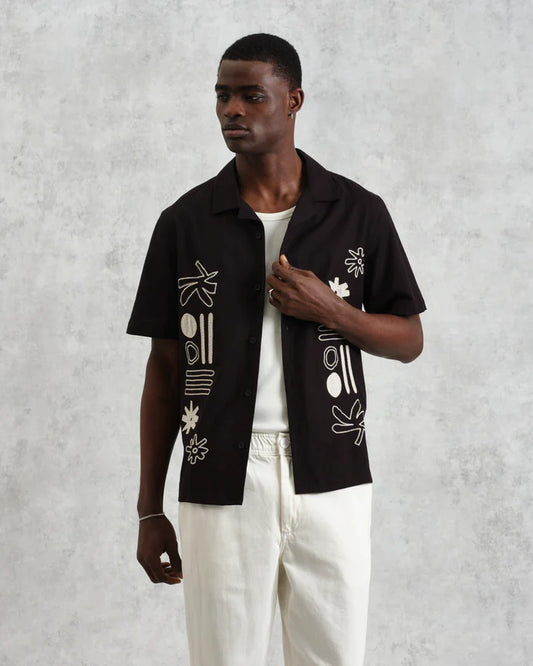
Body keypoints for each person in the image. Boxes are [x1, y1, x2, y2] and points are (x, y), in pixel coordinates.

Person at [126, 32, 426, 666]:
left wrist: (331, 310)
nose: (231, 110)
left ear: (293, 101)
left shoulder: (357, 213)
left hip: (333, 473)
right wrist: (149, 510)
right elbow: (165, 371)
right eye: (222, 96)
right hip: (219, 477)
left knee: (333, 657)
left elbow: (409, 339)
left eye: (251, 96)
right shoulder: (185, 222)